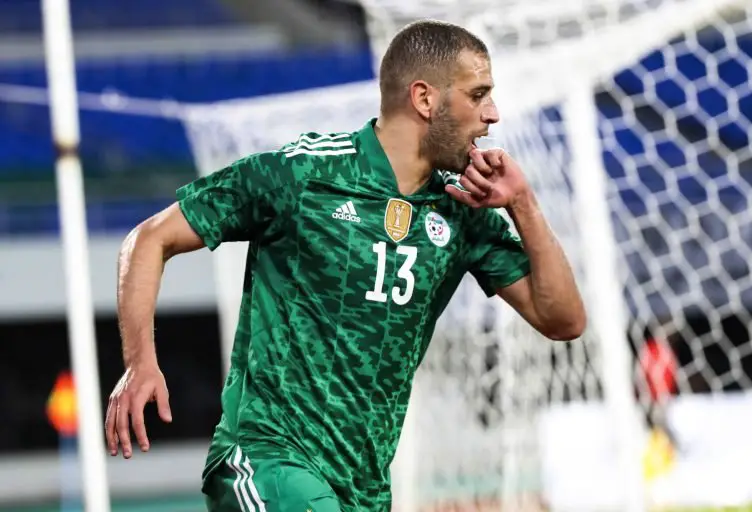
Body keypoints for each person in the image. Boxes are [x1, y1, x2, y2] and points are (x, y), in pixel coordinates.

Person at [104, 20, 586, 512]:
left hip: (363, 488)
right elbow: (149, 238)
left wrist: (523, 204)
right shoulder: (304, 175)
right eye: (478, 95)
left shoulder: (462, 211)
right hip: (269, 460)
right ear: (424, 99)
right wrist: (140, 363)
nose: (493, 114)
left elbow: (564, 320)